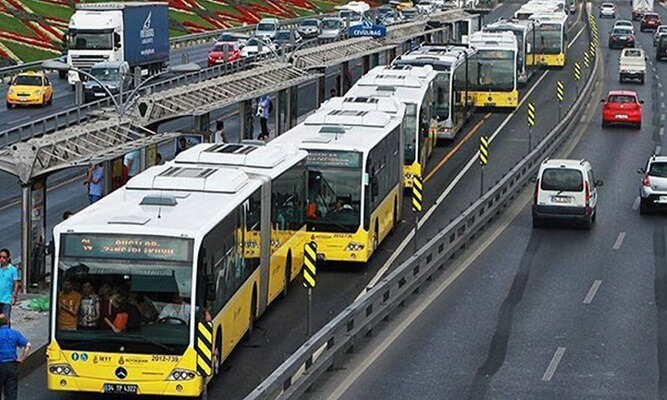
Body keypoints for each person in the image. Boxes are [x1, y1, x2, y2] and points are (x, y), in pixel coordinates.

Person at [0, 313, 31, 400]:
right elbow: (28, 345)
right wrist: (22, 359)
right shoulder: (15, 333)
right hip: (12, 366)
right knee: (11, 393)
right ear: (8, 323)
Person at [0, 249, 18, 326]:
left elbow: (16, 283)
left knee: (5, 319)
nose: (2, 259)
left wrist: (14, 297)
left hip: (6, 299)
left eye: (4, 257)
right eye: (0, 257)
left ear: (8, 258)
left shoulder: (13, 270)